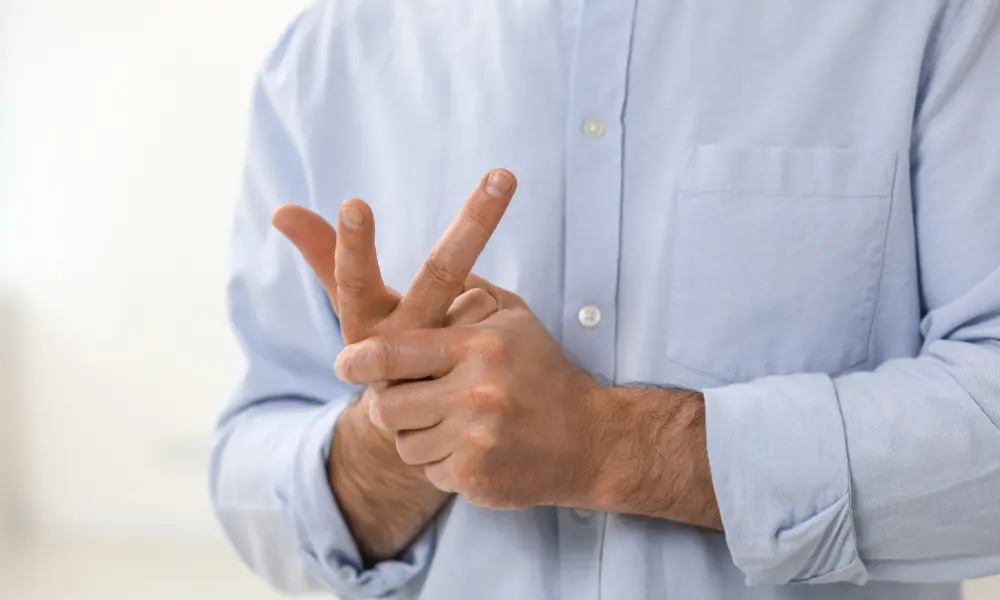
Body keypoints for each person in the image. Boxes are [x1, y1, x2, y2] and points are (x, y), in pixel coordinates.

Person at [209, 2, 1000, 599]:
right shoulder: (326, 55)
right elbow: (253, 459)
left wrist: (611, 446)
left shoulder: (937, 18)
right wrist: (398, 439)